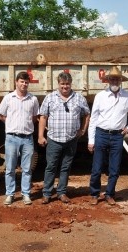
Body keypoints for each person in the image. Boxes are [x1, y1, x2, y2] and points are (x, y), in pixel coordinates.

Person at [38, 71, 90, 204]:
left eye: (67, 84)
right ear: (58, 84)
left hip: (71, 139)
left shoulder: (79, 98)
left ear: (71, 84)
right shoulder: (50, 98)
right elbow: (43, 116)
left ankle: (61, 192)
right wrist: (40, 135)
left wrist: (83, 130)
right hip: (54, 139)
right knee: (51, 166)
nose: (65, 87)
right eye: (62, 84)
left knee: (65, 167)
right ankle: (47, 193)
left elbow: (87, 114)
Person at [88, 66, 128, 206]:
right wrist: (91, 140)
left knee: (114, 169)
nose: (115, 81)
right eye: (112, 79)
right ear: (108, 80)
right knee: (96, 168)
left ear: (121, 80)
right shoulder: (100, 96)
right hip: (101, 133)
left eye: (117, 79)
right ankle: (95, 194)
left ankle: (110, 194)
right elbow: (93, 118)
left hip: (117, 136)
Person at [0, 71, 40, 206]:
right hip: (11, 138)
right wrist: (11, 124)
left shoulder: (33, 99)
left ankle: (26, 194)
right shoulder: (9, 98)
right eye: (21, 81)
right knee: (10, 168)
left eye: (26, 82)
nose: (24, 84)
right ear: (16, 82)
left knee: (26, 168)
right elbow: (1, 115)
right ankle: (10, 194)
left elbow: (35, 117)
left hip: (27, 138)